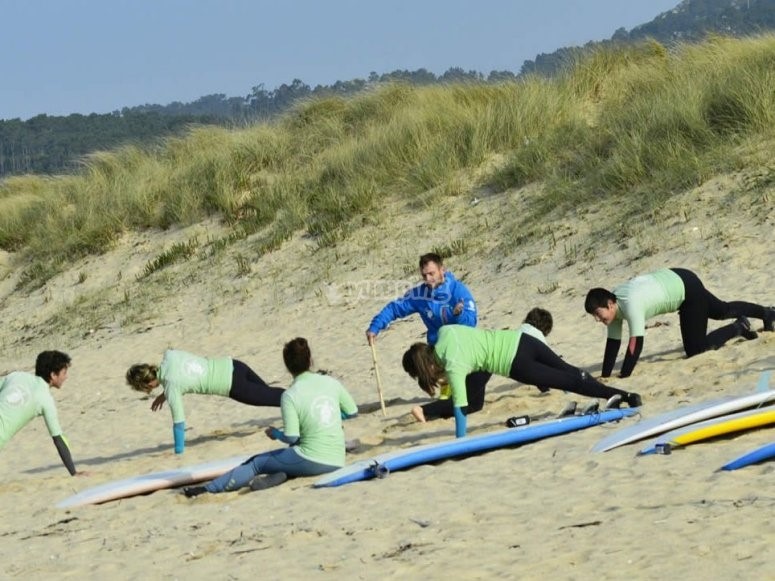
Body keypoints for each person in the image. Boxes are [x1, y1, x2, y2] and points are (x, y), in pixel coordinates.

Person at [184, 337, 358, 497]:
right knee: (291, 453)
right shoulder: (331, 382)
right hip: (337, 458)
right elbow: (352, 412)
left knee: (256, 463)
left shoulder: (290, 395)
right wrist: (328, 416)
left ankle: (208, 489)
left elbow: (291, 436)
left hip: (312, 458)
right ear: (310, 360)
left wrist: (276, 434)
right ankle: (281, 475)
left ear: (287, 366)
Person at [402, 325, 641, 438]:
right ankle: (622, 394)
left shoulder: (454, 365)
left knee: (568, 382)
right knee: (571, 372)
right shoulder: (446, 332)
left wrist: (460, 440)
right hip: (522, 339)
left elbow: (460, 407)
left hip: (515, 363)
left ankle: (619, 396)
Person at [366, 252, 492, 423]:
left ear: (442, 270)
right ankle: (444, 392)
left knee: (471, 398)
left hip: (462, 347)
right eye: (424, 275)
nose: (428, 279)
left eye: (432, 273)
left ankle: (450, 394)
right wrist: (375, 327)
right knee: (419, 360)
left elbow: (471, 322)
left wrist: (457, 314)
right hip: (437, 349)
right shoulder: (421, 294)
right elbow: (395, 308)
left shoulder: (457, 290)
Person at [585, 268, 775, 378]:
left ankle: (740, 327)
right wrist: (605, 376)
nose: (597, 319)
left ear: (609, 304)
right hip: (678, 277)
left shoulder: (631, 304)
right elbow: (613, 344)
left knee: (695, 349)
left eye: (597, 313)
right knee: (721, 310)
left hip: (686, 291)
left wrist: (624, 376)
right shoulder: (613, 307)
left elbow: (636, 344)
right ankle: (767, 313)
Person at [126, 349, 285, 454]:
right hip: (233, 365)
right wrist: (164, 394)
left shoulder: (171, 388)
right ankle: (304, 394)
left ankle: (304, 403)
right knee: (272, 394)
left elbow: (179, 423)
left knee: (273, 398)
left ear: (147, 384)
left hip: (232, 385)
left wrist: (179, 451)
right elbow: (178, 374)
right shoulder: (169, 356)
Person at [0, 350, 83, 476]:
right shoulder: (45, 400)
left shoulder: (16, 376)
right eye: (64, 373)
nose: (66, 377)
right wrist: (74, 472)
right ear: (53, 375)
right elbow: (58, 439)